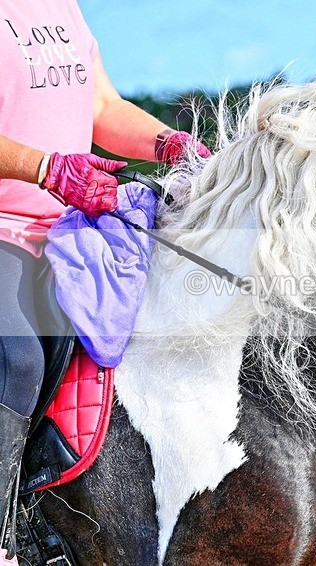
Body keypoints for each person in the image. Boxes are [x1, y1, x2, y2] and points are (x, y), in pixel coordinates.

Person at [0, 2, 210, 562]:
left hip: (68, 226)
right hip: (3, 228)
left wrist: (170, 144)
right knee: (16, 358)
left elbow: (101, 105)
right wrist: (45, 169)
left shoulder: (59, 6)